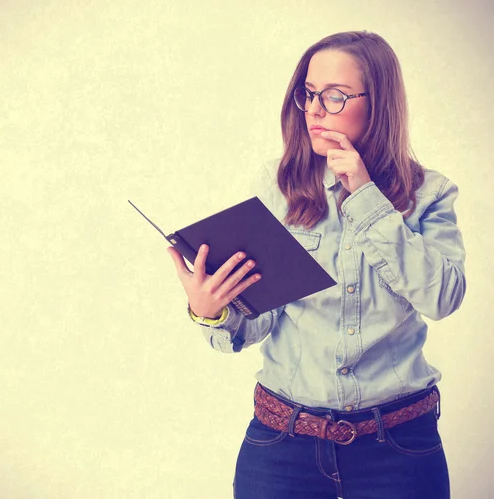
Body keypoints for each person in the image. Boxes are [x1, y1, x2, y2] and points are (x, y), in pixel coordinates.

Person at [167, 31, 465, 499]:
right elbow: (257, 322)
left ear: (379, 103)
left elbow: (443, 298)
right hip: (282, 445)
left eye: (334, 95)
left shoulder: (430, 193)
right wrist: (214, 310)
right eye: (308, 93)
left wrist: (366, 197)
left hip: (400, 447)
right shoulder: (279, 182)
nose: (315, 110)